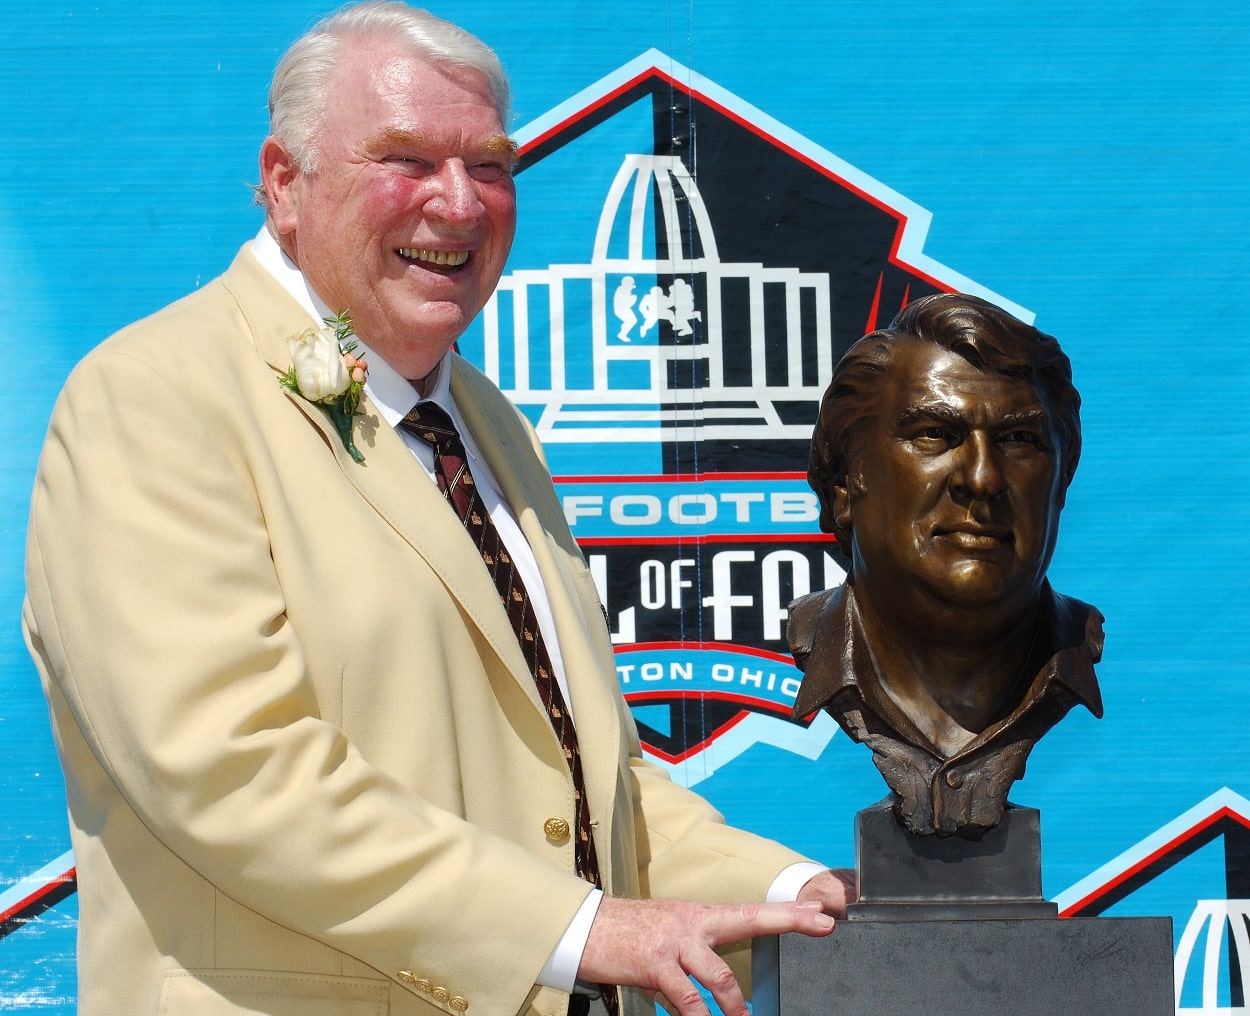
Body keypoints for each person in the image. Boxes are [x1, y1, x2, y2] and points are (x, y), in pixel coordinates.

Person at [22, 4, 851, 1016]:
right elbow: (231, 770)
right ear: (284, 182)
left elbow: (590, 783)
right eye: (405, 160)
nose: (458, 205)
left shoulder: (486, 421)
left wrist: (787, 895)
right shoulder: (154, 398)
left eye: (490, 166)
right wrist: (580, 928)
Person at [788, 293, 1104, 838]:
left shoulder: (1075, 646)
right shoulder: (816, 639)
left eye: (1019, 440)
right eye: (934, 434)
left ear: (1060, 486)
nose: (981, 478)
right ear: (844, 485)